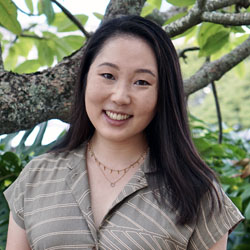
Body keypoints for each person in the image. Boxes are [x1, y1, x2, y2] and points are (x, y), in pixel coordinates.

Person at [4, 15, 243, 250]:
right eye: (108, 76)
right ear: (85, 78)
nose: (120, 96)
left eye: (141, 82)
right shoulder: (37, 177)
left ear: (163, 93)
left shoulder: (197, 191)